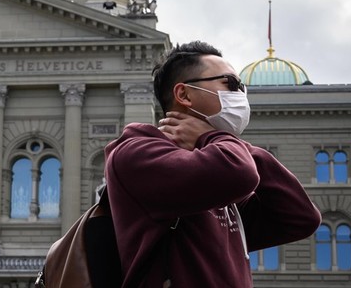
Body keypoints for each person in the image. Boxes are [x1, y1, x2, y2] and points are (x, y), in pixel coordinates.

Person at [105, 41, 321, 287]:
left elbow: (301, 217)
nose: (239, 95)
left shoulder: (219, 176)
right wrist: (214, 137)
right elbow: (240, 174)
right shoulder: (138, 154)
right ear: (184, 94)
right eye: (230, 84)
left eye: (241, 87)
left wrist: (218, 140)